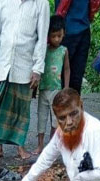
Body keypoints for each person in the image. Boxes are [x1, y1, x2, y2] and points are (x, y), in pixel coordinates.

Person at [0, 0, 49, 161]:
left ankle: (20, 146)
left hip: (25, 65)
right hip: (4, 64)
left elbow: (42, 39)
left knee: (21, 110)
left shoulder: (41, 4)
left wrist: (37, 69)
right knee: (0, 109)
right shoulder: (2, 2)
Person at [34, 16, 69, 153]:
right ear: (48, 35)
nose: (56, 39)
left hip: (56, 90)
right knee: (41, 117)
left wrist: (66, 88)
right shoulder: (44, 50)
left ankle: (52, 144)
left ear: (64, 33)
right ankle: (40, 145)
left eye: (59, 36)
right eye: (53, 36)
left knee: (55, 119)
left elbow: (67, 69)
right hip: (43, 89)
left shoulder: (63, 51)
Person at [54, 0, 96, 94]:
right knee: (61, 74)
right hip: (65, 32)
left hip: (84, 31)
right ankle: (61, 101)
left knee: (77, 75)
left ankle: (74, 101)